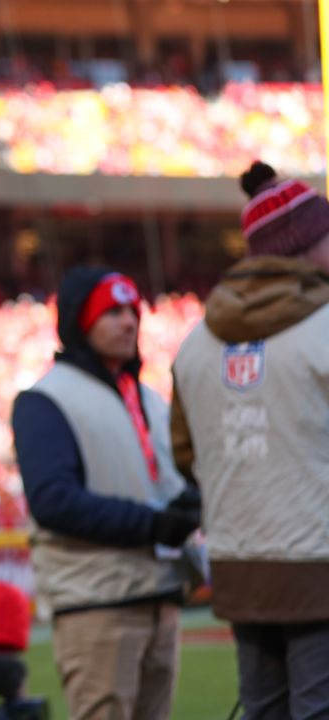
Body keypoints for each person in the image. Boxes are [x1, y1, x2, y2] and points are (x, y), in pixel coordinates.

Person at [170, 161, 329, 719]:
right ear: (306, 243)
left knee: (263, 708)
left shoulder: (194, 344)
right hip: (318, 559)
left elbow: (186, 458)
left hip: (240, 560)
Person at [12, 266, 199, 720]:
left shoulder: (152, 398)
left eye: (131, 310)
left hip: (160, 596)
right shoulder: (44, 400)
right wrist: (156, 523)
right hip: (96, 603)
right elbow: (54, 502)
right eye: (111, 312)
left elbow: (175, 484)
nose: (128, 322)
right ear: (81, 320)